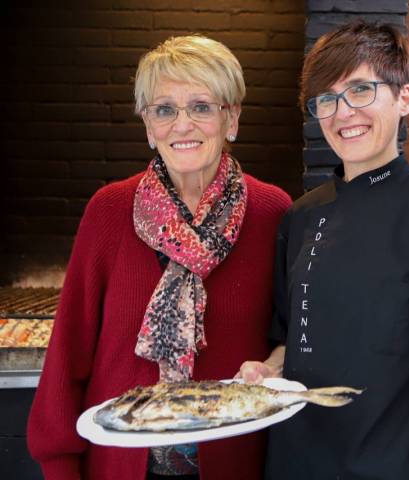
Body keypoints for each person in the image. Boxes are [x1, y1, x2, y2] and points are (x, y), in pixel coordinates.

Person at [27, 35, 291, 480]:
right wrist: (59, 466)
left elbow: (293, 339)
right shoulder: (109, 210)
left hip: (235, 462)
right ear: (149, 127)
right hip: (119, 465)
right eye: (164, 109)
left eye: (202, 106)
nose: (181, 124)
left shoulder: (274, 213)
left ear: (232, 118)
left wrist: (271, 367)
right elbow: (67, 352)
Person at [237, 21, 409, 479]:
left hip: (392, 467)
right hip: (292, 461)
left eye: (360, 90)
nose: (342, 111)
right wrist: (266, 370)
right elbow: (290, 339)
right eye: (327, 99)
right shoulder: (300, 217)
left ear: (404, 98)